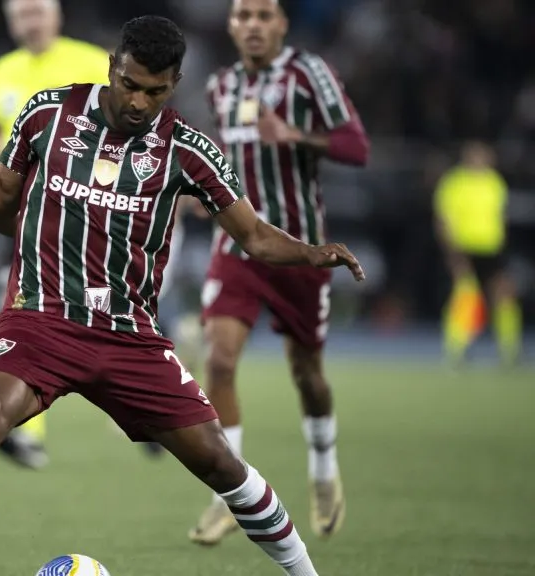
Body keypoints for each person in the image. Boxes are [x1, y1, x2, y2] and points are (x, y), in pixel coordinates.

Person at [0, 15, 365, 576]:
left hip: (129, 337)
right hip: (41, 319)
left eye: (155, 91)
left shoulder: (186, 148)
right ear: (113, 66)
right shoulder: (47, 113)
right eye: (130, 84)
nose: (138, 101)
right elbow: (1, 210)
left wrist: (310, 252)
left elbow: (252, 235)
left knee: (221, 463)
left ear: (174, 83)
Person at [190, 0, 370, 545]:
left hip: (298, 248)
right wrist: (203, 195)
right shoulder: (220, 87)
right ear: (231, 25)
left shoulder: (308, 73)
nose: (253, 25)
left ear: (282, 24)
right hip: (239, 246)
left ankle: (322, 470)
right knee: (218, 360)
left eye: (264, 15)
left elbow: (356, 146)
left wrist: (297, 136)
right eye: (243, 15)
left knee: (307, 375)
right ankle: (231, 491)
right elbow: (226, 160)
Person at [0, 0, 150, 467]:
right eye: (21, 12)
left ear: (56, 15)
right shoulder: (1, 71)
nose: (30, 19)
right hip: (29, 214)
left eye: (38, 10)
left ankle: (150, 404)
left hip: (90, 212)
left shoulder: (92, 62)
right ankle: (26, 430)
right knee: (19, 304)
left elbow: (130, 127)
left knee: (112, 307)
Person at [435, 140, 521, 367]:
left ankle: (510, 351)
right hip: (465, 248)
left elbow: (501, 216)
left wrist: (504, 243)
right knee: (466, 296)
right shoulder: (454, 183)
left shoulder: (495, 182)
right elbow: (443, 220)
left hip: (492, 249)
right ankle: (455, 352)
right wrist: (452, 253)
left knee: (504, 295)